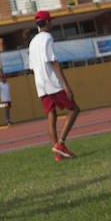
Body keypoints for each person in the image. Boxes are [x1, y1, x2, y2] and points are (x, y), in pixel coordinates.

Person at [28, 10, 81, 161]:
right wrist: (66, 85)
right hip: (52, 83)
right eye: (50, 21)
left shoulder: (32, 42)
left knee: (52, 115)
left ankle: (58, 155)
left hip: (40, 85)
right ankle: (61, 144)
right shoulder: (48, 37)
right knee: (74, 109)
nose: (52, 23)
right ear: (46, 23)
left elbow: (32, 66)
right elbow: (53, 61)